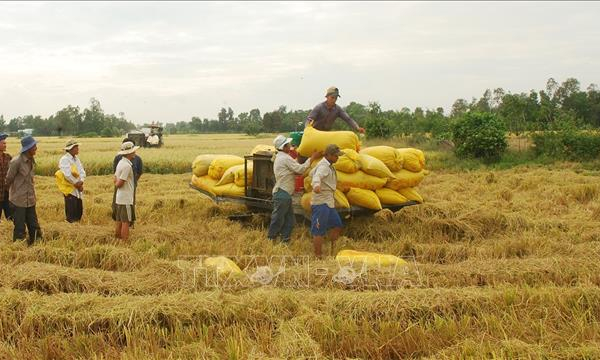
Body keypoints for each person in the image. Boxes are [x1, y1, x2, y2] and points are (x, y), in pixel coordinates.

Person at [267, 135, 321, 243]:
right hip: (283, 193)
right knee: (278, 218)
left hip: (284, 194)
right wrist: (312, 158)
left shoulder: (281, 157)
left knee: (290, 220)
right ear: (284, 147)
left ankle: (284, 241)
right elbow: (300, 170)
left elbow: (295, 168)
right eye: (288, 145)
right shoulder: (284, 158)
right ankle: (270, 239)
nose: (290, 146)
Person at [310, 144, 345, 258]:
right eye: (335, 156)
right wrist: (316, 186)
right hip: (321, 203)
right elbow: (316, 177)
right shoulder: (324, 166)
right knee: (318, 230)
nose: (337, 158)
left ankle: (332, 249)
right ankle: (318, 255)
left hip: (328, 202)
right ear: (329, 155)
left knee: (337, 225)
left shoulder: (329, 165)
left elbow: (312, 173)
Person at [5, 136, 42, 245]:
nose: (36, 148)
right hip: (18, 201)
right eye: (34, 146)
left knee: (34, 225)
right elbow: (8, 180)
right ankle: (19, 248)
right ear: (28, 148)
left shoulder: (31, 161)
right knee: (20, 227)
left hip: (30, 199)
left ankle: (37, 245)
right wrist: (13, 193)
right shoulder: (16, 162)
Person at [113, 138, 143, 226]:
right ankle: (124, 230)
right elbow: (117, 178)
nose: (135, 152)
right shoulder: (123, 163)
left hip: (128, 188)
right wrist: (123, 182)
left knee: (129, 206)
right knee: (123, 211)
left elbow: (139, 172)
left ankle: (127, 224)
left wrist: (132, 182)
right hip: (124, 191)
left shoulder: (137, 159)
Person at [59, 139, 86, 222]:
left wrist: (81, 181)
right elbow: (67, 175)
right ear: (71, 148)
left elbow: (82, 171)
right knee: (71, 214)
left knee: (79, 212)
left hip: (77, 190)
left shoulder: (76, 159)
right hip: (70, 190)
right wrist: (77, 184)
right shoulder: (65, 159)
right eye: (76, 147)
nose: (78, 149)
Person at [0, 133, 13, 222]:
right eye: (3, 143)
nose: (5, 145)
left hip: (7, 192)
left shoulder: (8, 157)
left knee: (11, 216)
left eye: (5, 143)